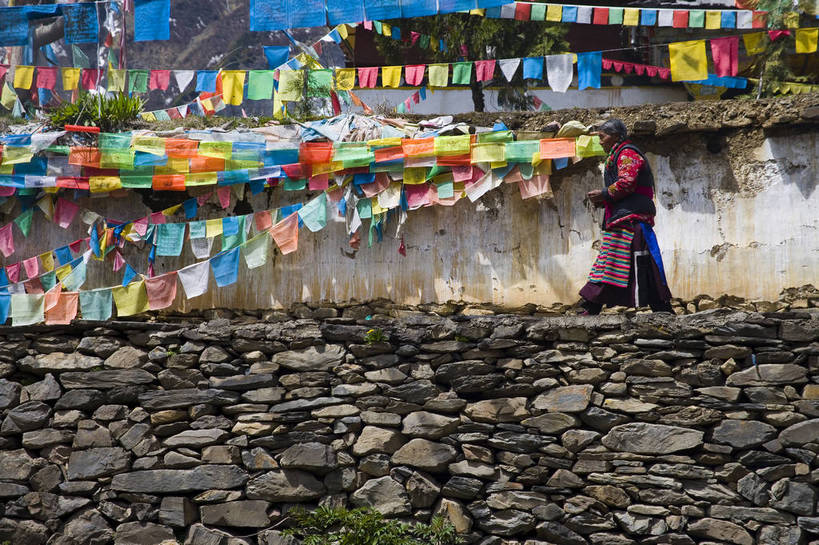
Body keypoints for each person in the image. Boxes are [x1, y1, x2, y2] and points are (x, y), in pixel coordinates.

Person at [579, 118, 673, 315]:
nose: (600, 141)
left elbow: (627, 183)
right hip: (625, 220)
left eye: (602, 137)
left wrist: (604, 194)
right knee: (615, 263)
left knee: (615, 263)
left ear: (615, 136)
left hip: (631, 223)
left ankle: (592, 307)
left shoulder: (627, 154)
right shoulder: (617, 155)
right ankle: (592, 306)